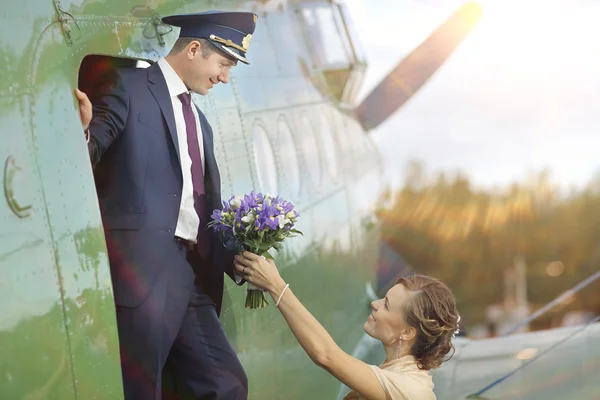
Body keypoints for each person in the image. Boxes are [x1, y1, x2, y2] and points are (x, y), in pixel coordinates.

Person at [74, 10, 258, 400]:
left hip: (190, 275)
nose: (225, 76)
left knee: (226, 383)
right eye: (224, 63)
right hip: (141, 273)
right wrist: (83, 130)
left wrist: (239, 257)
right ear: (194, 48)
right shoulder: (128, 87)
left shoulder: (200, 122)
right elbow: (91, 149)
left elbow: (203, 206)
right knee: (143, 391)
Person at [234, 252, 460, 400]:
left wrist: (275, 285)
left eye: (387, 305)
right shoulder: (394, 372)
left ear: (408, 332)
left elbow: (326, 355)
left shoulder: (411, 390)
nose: (374, 303)